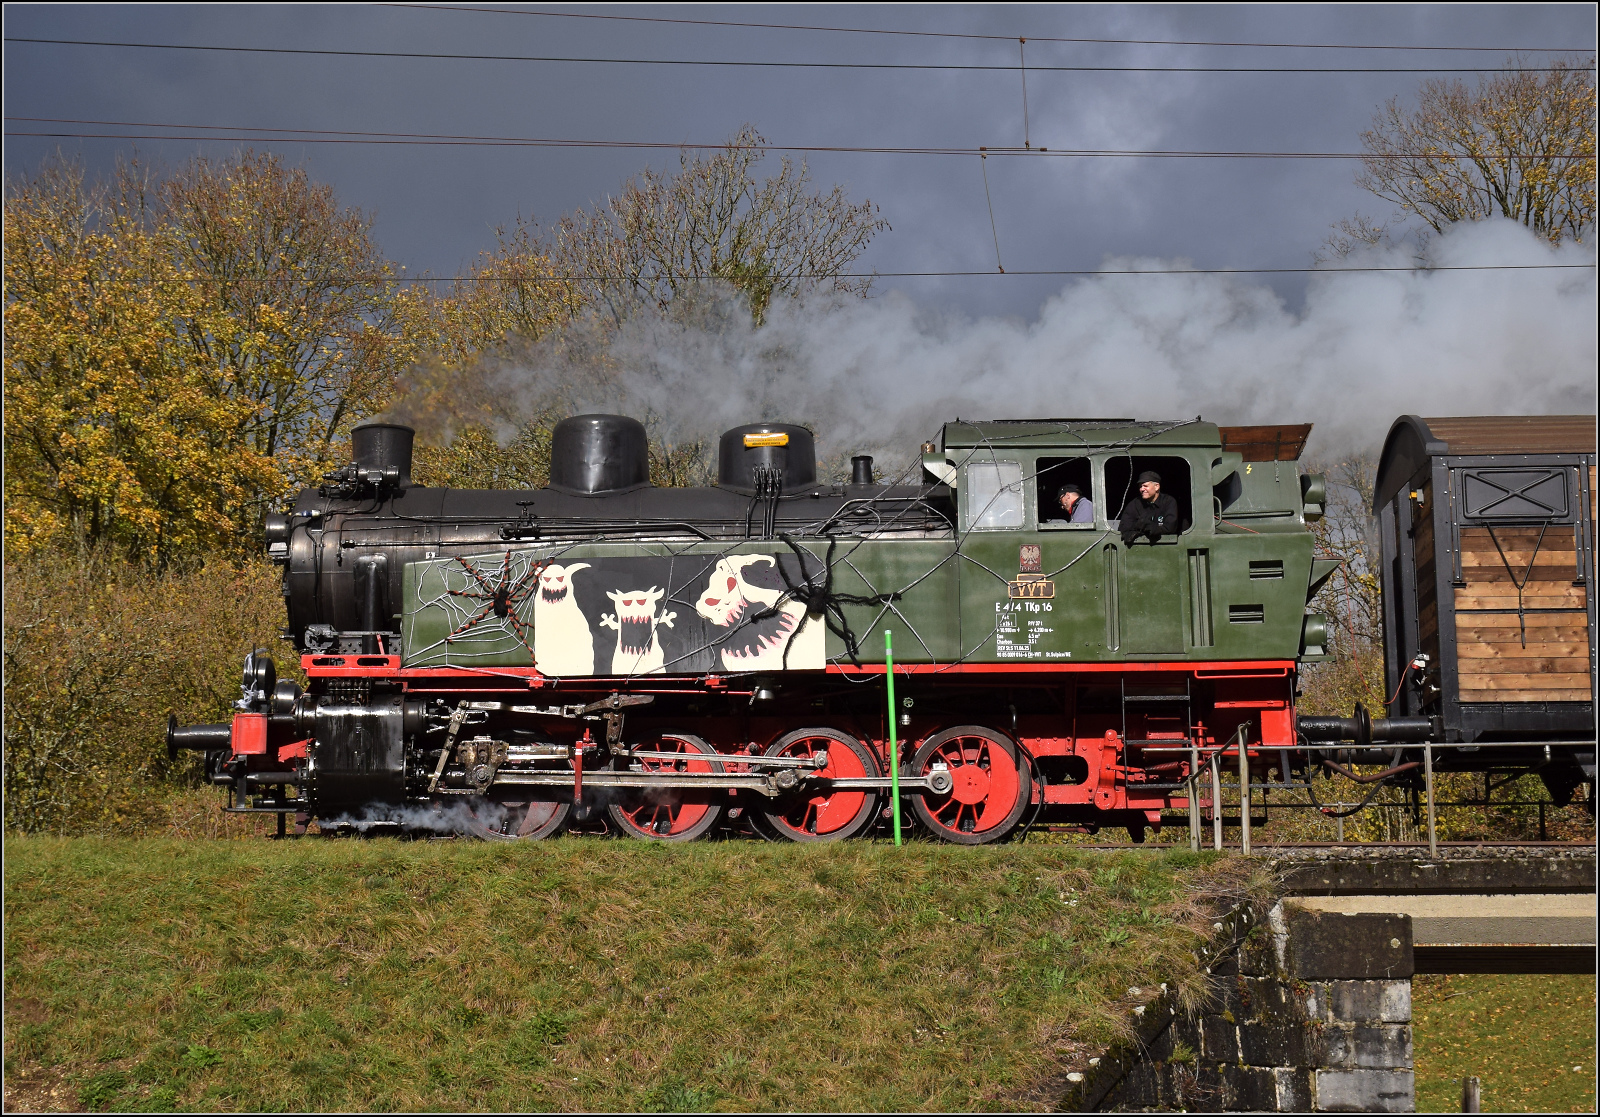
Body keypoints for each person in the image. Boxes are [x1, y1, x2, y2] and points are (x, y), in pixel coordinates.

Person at [1118, 470, 1182, 544]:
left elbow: (1170, 528)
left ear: (1156, 487)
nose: (1142, 489)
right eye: (1140, 486)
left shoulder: (1168, 502)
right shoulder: (1134, 504)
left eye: (1145, 486)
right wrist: (1138, 528)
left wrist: (1151, 528)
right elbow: (1124, 527)